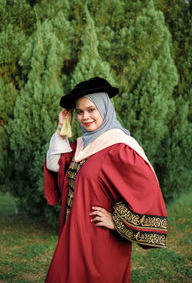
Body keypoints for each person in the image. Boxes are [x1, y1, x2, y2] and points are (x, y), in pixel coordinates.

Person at [44, 77, 167, 283]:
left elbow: (147, 193)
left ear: (105, 108)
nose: (85, 117)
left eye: (92, 109)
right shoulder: (82, 145)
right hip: (73, 235)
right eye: (80, 112)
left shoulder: (120, 148)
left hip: (100, 241)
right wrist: (61, 129)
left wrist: (118, 221)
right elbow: (55, 165)